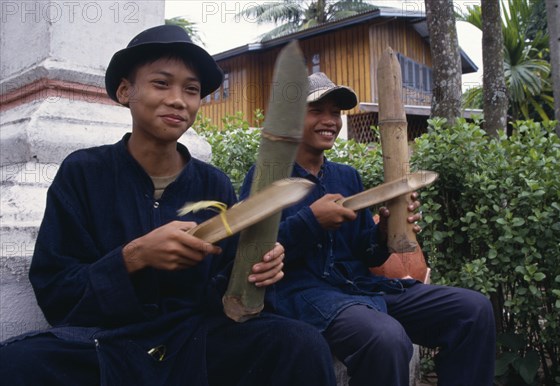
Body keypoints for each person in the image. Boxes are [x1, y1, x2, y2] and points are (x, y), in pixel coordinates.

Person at [0, 26, 336, 386]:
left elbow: (225, 290)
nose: (178, 100)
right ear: (126, 90)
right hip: (107, 342)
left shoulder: (213, 184)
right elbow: (56, 291)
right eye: (162, 83)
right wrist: (133, 257)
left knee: (300, 343)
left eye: (190, 90)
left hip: (194, 337)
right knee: (15, 363)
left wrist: (257, 272)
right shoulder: (83, 172)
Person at [240, 72, 496, 386]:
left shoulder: (347, 177)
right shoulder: (265, 176)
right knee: (385, 338)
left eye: (335, 113)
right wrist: (312, 222)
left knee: (473, 310)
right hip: (302, 296)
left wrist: (386, 228)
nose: (330, 120)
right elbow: (251, 256)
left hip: (360, 289)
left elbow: (368, 254)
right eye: (317, 111)